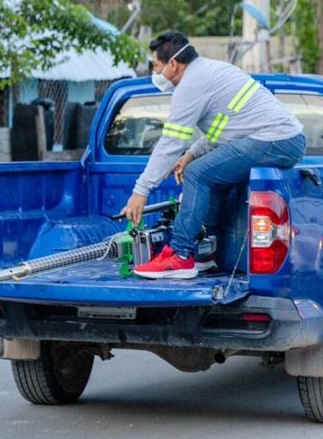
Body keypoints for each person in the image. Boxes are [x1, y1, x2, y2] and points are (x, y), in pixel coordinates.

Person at [121, 31, 306, 279]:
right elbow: (224, 129)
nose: (154, 71)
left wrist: (141, 191)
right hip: (283, 139)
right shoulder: (211, 71)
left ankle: (181, 255)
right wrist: (191, 153)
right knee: (207, 171)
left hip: (277, 139)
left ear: (173, 63)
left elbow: (171, 142)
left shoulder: (191, 85)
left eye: (155, 65)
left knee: (198, 173)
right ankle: (205, 254)